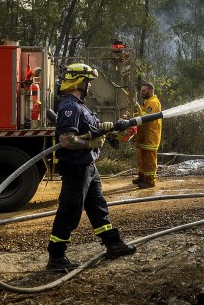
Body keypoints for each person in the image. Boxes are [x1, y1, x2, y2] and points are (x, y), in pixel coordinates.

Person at [46, 63, 136, 271]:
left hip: (88, 166)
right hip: (76, 168)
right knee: (70, 211)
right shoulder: (70, 106)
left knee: (97, 207)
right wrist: (90, 143)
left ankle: (113, 244)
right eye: (88, 81)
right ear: (80, 81)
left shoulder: (79, 105)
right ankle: (56, 257)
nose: (89, 86)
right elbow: (67, 140)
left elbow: (88, 130)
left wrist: (104, 129)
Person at [132, 82, 162, 189]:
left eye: (144, 91)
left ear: (151, 91)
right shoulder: (147, 102)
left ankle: (150, 181)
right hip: (143, 136)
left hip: (150, 136)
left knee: (149, 159)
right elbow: (140, 114)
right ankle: (142, 177)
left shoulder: (153, 102)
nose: (141, 93)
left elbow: (145, 117)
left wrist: (133, 117)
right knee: (141, 158)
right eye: (141, 90)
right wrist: (131, 116)